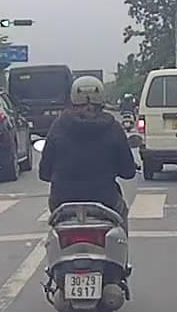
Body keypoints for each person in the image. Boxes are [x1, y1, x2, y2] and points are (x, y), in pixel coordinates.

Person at [39, 75, 137, 230]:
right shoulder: (113, 127)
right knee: (122, 215)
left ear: (72, 100)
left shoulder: (58, 126)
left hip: (62, 203)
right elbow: (128, 172)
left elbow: (44, 173)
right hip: (106, 201)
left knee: (55, 232)